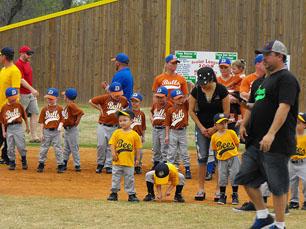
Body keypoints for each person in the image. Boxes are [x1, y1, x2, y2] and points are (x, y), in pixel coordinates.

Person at [235, 40, 300, 229]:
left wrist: (271, 134)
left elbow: (284, 107)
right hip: (256, 141)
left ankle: (280, 225)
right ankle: (263, 216)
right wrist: (244, 119)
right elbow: (258, 106)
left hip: (276, 142)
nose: (264, 57)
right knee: (244, 177)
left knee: (277, 185)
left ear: (280, 56)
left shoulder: (286, 79)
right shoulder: (263, 81)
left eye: (267, 54)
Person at [189, 67, 230, 201]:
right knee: (202, 157)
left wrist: (215, 128)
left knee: (219, 157)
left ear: (212, 79)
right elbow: (191, 111)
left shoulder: (221, 90)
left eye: (205, 83)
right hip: (201, 128)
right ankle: (201, 189)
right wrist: (201, 127)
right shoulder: (196, 90)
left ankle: (218, 190)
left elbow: (226, 113)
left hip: (219, 128)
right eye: (201, 82)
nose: (203, 85)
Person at [89, 82, 128, 174]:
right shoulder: (104, 98)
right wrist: (100, 109)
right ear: (110, 92)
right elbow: (91, 101)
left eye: (119, 94)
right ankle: (100, 163)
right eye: (115, 94)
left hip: (115, 127)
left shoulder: (123, 100)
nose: (118, 96)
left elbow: (125, 107)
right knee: (101, 145)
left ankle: (109, 165)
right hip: (103, 125)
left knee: (111, 146)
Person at [107, 110, 142, 202]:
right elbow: (112, 144)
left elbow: (138, 148)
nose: (122, 122)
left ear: (131, 121)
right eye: (120, 121)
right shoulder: (117, 132)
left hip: (129, 162)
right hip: (117, 161)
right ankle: (114, 193)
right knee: (115, 178)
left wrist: (138, 159)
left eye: (125, 120)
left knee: (129, 179)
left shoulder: (135, 135)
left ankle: (131, 194)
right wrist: (113, 153)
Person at [210, 113, 240, 205]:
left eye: (225, 122)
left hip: (233, 158)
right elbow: (215, 149)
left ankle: (235, 195)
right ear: (215, 125)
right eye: (221, 123)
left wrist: (234, 154)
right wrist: (218, 159)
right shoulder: (214, 136)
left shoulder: (231, 133)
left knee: (234, 176)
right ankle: (222, 195)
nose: (223, 124)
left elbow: (237, 144)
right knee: (222, 177)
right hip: (222, 159)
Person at [0, 47, 22, 165]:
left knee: (6, 133)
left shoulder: (15, 71)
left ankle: (7, 157)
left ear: (4, 57)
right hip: (0, 106)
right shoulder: (3, 70)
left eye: (1, 55)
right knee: (3, 133)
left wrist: (9, 108)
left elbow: (16, 92)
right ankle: (5, 156)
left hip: (7, 108)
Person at [15, 45, 40, 143]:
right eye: (27, 54)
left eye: (30, 54)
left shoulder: (27, 63)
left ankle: (34, 137)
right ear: (21, 53)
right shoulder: (18, 64)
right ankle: (18, 137)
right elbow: (21, 80)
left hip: (30, 94)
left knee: (35, 112)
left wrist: (31, 91)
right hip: (22, 94)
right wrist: (32, 89)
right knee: (18, 116)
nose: (29, 56)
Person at [37, 88, 65, 173]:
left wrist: (61, 126)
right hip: (46, 131)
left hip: (56, 132)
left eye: (51, 98)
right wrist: (41, 133)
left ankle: (60, 164)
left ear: (56, 98)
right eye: (48, 98)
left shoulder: (60, 108)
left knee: (58, 148)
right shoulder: (44, 109)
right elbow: (41, 122)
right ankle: (41, 163)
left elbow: (63, 119)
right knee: (44, 148)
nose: (49, 100)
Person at [0, 88, 29, 170]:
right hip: (9, 128)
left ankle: (24, 160)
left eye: (15, 97)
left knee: (21, 146)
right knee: (10, 147)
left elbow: (25, 117)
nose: (15, 99)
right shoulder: (4, 107)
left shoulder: (19, 105)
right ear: (8, 97)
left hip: (18, 127)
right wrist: (3, 132)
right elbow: (2, 121)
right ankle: (12, 162)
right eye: (13, 97)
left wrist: (27, 126)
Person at [165, 89, 191, 179]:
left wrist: (190, 89)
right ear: (173, 99)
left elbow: (189, 99)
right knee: (171, 151)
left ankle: (187, 169)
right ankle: (169, 169)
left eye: (181, 98)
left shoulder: (185, 106)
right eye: (178, 98)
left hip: (183, 131)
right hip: (173, 132)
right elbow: (167, 124)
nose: (180, 100)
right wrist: (167, 135)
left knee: (184, 151)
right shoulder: (170, 110)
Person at [62, 88, 84, 172]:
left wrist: (77, 122)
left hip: (72, 130)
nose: (63, 96)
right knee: (67, 148)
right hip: (67, 129)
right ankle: (64, 163)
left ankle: (77, 165)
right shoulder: (69, 105)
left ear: (67, 97)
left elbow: (81, 112)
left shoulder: (71, 105)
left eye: (64, 95)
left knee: (73, 147)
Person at [217, 58, 241, 133]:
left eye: (226, 67)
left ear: (230, 67)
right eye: (221, 67)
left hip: (234, 118)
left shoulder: (237, 79)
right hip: (219, 117)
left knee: (233, 142)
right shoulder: (216, 80)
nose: (223, 69)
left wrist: (236, 99)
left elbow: (241, 97)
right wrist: (226, 99)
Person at [288, 112, 306, 210]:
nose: (297, 125)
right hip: (291, 162)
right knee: (292, 182)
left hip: (303, 163)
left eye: (300, 123)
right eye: (296, 122)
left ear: (305, 125)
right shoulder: (291, 135)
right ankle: (294, 201)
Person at [150, 86, 171, 168]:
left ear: (166, 96)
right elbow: (151, 113)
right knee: (156, 148)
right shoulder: (155, 104)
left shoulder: (169, 105)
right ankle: (156, 163)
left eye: (161, 97)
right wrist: (152, 120)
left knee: (164, 148)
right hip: (155, 129)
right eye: (157, 97)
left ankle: (164, 164)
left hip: (163, 130)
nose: (159, 99)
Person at [130, 92, 146, 174]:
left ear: (140, 102)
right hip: (129, 135)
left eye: (136, 101)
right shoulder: (128, 112)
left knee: (139, 152)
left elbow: (143, 126)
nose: (134, 103)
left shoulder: (142, 114)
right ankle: (131, 166)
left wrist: (143, 136)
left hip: (138, 135)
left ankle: (138, 166)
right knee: (130, 151)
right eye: (132, 101)